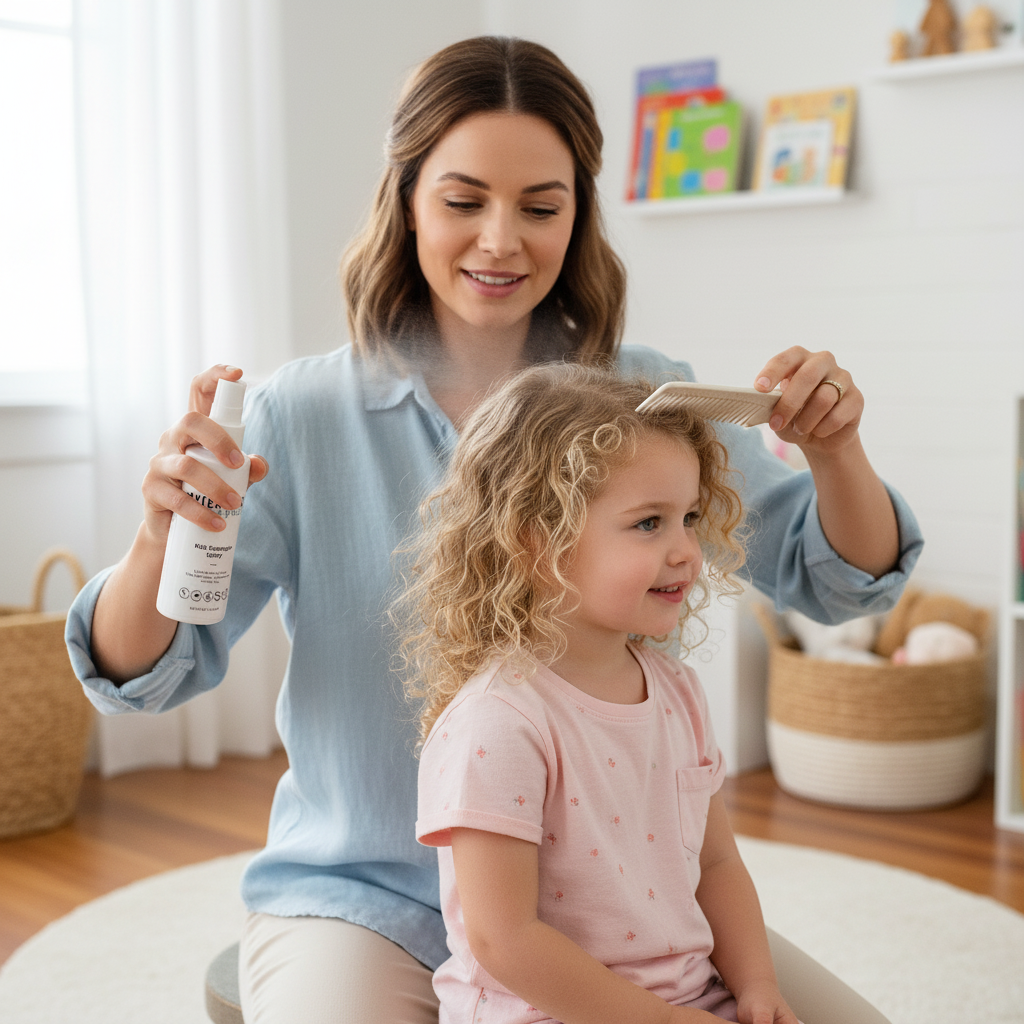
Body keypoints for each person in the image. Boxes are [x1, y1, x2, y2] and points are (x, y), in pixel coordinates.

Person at [64, 35, 921, 1024]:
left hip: (609, 909)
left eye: (540, 206)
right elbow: (144, 674)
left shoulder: (645, 393)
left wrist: (835, 452)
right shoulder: (296, 414)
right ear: (407, 199)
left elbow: (840, 578)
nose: (500, 240)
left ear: (580, 212)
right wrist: (157, 535)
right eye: (463, 200)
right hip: (366, 896)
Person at [399, 363, 798, 1024]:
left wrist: (756, 985)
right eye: (649, 524)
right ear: (537, 541)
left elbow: (719, 861)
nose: (687, 552)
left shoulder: (677, 692)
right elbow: (506, 941)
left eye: (690, 518)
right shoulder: (499, 724)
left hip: (685, 995)